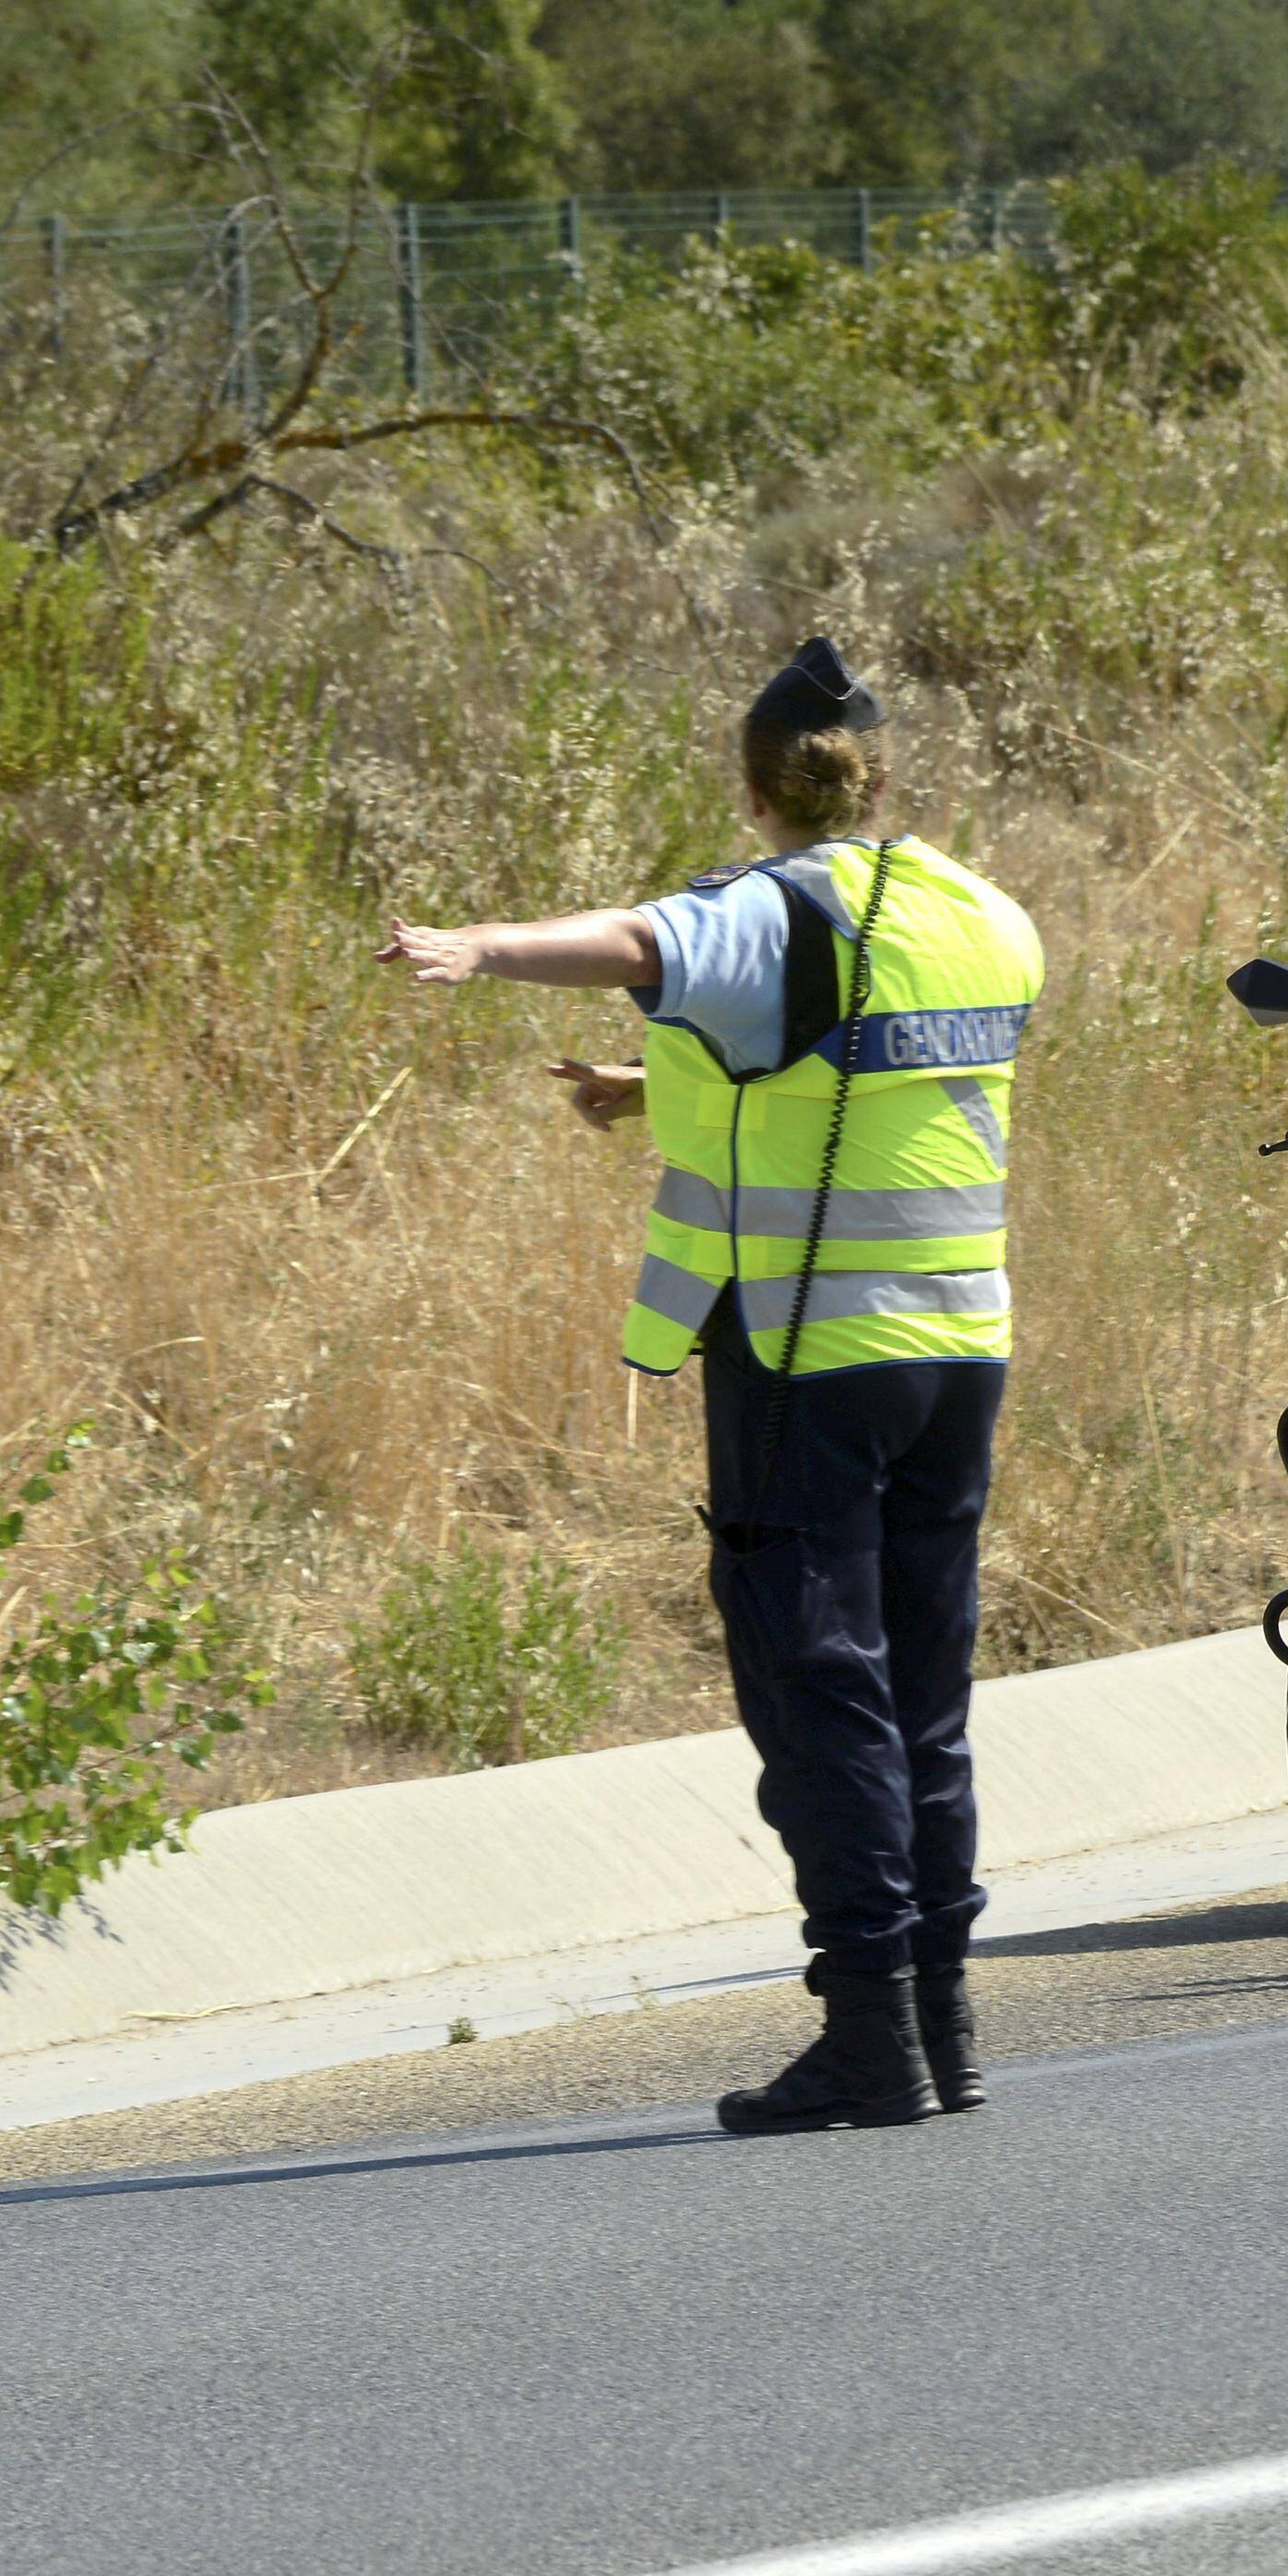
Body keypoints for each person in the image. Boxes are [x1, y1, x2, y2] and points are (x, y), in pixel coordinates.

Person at [377, 636, 1044, 2132]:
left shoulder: (770, 905)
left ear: (756, 787)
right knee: (925, 1694)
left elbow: (642, 944)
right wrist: (651, 1088)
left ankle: (870, 2031)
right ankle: (941, 2019)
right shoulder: (985, 916)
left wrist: (480, 943)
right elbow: (853, 1073)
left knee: (823, 1694)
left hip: (811, 1352)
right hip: (960, 1349)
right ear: (886, 774)